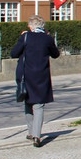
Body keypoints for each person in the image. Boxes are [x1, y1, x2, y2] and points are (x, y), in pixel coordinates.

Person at [10, 15, 60, 147]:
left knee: (27, 102)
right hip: (42, 76)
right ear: (43, 26)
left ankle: (31, 132)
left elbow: (14, 53)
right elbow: (55, 54)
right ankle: (37, 136)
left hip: (26, 76)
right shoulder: (47, 38)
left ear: (31, 26)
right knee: (39, 106)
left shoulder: (25, 37)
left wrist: (22, 40)